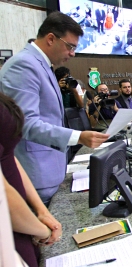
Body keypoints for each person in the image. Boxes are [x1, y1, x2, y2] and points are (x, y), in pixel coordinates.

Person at [0, 12, 109, 204]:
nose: (73, 54)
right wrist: (78, 136)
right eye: (70, 47)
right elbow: (27, 124)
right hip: (35, 178)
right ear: (51, 38)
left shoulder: (42, 65)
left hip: (51, 172)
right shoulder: (23, 65)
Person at [0, 92, 62, 267]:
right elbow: (3, 194)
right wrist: (43, 231)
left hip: (23, 223)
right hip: (9, 229)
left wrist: (42, 211)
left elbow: (9, 158)